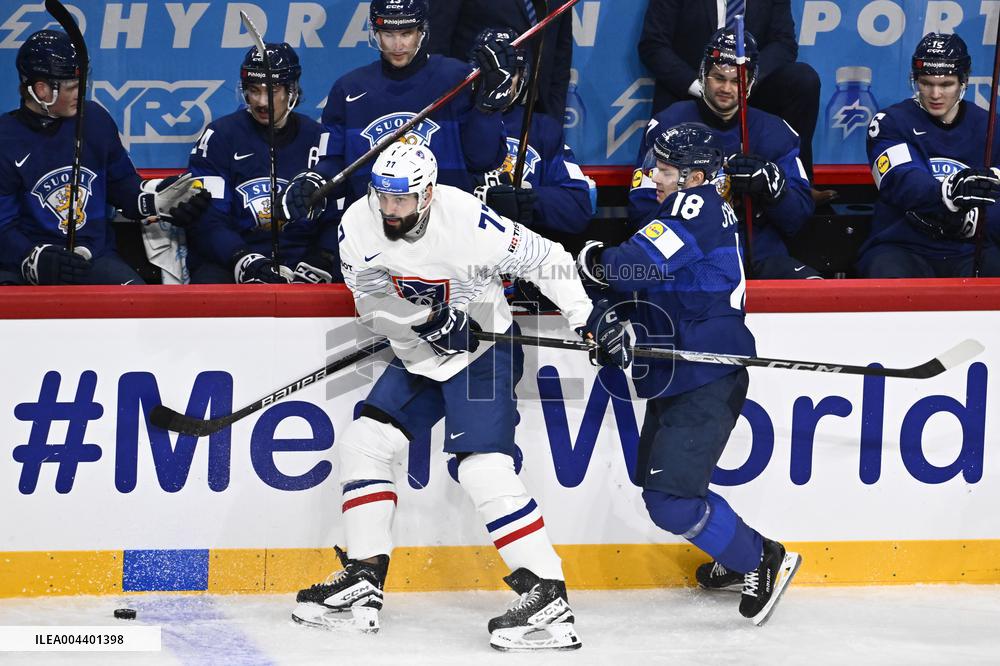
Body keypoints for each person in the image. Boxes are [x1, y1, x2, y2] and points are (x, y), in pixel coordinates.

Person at [290, 142, 630, 650]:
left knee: (481, 467)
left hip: (482, 352)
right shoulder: (358, 224)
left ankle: (547, 593)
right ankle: (363, 579)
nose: (389, 210)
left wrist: (586, 316)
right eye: (382, 197)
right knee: (365, 443)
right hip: (419, 354)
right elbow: (369, 301)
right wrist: (426, 321)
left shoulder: (468, 220)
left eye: (401, 200)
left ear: (426, 194)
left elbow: (546, 258)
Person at [576, 122, 801, 626]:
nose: (652, 175)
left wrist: (594, 262)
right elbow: (648, 279)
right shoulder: (684, 210)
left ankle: (760, 557)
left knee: (670, 501)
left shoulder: (693, 205)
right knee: (665, 487)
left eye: (663, 169)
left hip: (705, 372)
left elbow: (630, 266)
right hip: (682, 371)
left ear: (694, 175)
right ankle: (737, 549)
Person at [0, 30, 209, 285]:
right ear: (42, 90)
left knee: (142, 308)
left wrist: (154, 201)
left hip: (94, 258)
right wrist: (30, 257)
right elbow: (3, 224)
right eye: (74, 87)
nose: (82, 93)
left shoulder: (95, 119)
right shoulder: (5, 138)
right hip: (27, 265)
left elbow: (121, 183)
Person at [280, 0, 512, 223]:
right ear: (375, 33)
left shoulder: (459, 79)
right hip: (373, 228)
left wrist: (486, 109)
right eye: (388, 34)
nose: (397, 45)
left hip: (446, 226)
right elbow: (334, 163)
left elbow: (483, 160)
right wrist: (315, 181)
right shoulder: (348, 89)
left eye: (406, 33)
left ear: (422, 31)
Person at [630, 28, 820, 279]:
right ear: (703, 75)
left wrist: (773, 188)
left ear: (751, 82)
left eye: (737, 81)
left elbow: (798, 218)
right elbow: (642, 212)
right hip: (689, 259)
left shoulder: (777, 133)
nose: (727, 89)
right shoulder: (667, 126)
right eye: (719, 78)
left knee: (813, 290)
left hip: (759, 258)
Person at [185, 42, 341, 284]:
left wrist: (321, 258)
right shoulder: (219, 137)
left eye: (272, 90)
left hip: (301, 261)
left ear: (292, 90)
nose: (260, 101)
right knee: (208, 284)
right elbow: (208, 218)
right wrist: (244, 259)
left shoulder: (319, 139)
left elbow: (337, 215)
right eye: (253, 90)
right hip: (234, 259)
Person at [859, 32, 1000, 278]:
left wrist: (981, 220)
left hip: (970, 250)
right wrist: (947, 193)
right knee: (886, 276)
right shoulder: (890, 122)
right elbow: (900, 180)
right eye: (926, 83)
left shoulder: (990, 127)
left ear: (963, 81)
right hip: (903, 247)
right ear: (915, 80)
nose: (935, 94)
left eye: (946, 84)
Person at [637, 0, 822, 181]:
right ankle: (663, 189)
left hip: (751, 88)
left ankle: (799, 182)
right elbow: (654, 45)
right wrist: (704, 86)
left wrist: (744, 81)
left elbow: (784, 43)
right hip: (693, 86)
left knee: (803, 79)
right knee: (669, 109)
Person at [468, 28, 595, 240]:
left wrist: (526, 199)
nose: (502, 80)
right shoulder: (454, 121)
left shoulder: (542, 129)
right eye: (492, 72)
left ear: (523, 76)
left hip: (523, 250)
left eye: (511, 72)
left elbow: (578, 207)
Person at [427, 0, 573, 120]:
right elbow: (437, 42)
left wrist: (554, 116)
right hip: (472, 110)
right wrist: (443, 113)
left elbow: (560, 56)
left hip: (535, 113)